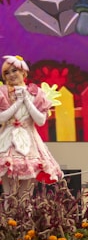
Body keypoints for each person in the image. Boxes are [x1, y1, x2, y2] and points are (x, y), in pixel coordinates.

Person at [0, 55, 63, 196]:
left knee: (26, 195)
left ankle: (24, 218)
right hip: (6, 142)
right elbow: (2, 118)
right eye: (7, 73)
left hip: (29, 143)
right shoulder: (3, 93)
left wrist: (27, 100)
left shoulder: (36, 93)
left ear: (24, 72)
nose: (11, 75)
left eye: (14, 70)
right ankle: (7, 218)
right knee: (8, 194)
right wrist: (17, 102)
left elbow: (40, 121)